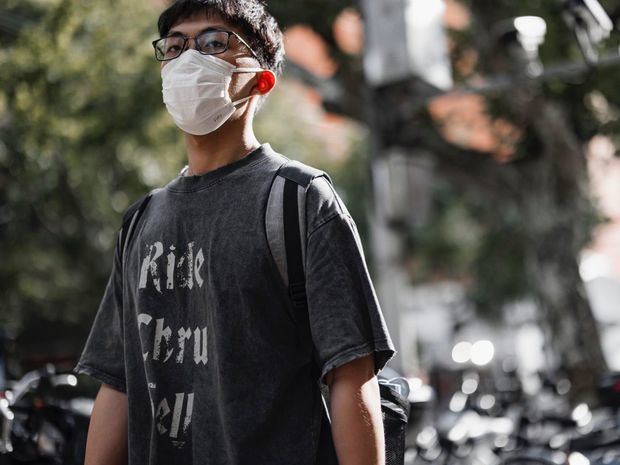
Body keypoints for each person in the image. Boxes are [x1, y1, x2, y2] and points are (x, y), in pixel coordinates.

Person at [74, 1, 396, 464]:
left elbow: (350, 374)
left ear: (261, 79)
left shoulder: (299, 200)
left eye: (213, 42)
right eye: (175, 46)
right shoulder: (141, 219)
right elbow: (118, 383)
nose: (188, 58)